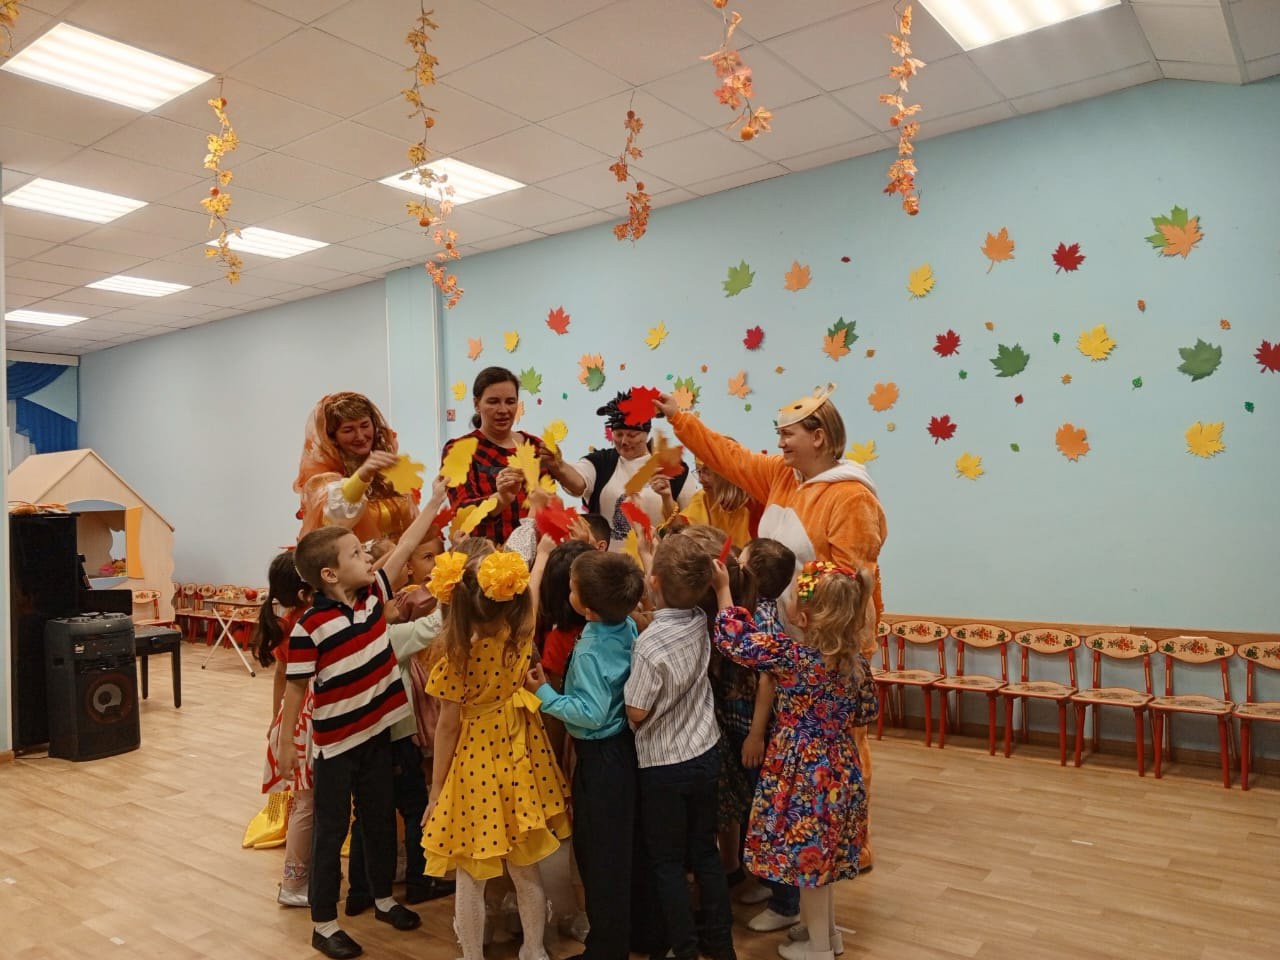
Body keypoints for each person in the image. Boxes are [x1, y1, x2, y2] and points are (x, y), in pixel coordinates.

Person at [656, 384, 886, 878]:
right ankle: (790, 845)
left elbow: (851, 581)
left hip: (825, 649)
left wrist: (820, 640)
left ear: (818, 437)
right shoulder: (784, 475)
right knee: (793, 759)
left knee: (839, 747)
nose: (779, 444)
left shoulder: (850, 497)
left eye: (788, 435)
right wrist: (680, 418)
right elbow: (730, 456)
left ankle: (848, 844)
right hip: (783, 644)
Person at [277, 477, 450, 959]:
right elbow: (295, 688)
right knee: (332, 832)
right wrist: (287, 744)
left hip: (378, 736)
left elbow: (407, 545)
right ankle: (324, 923)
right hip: (337, 747)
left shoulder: (374, 595)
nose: (367, 558)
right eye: (356, 554)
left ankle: (382, 899)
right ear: (330, 574)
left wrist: (434, 502)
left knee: (378, 821)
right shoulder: (310, 627)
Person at [712, 559, 878, 960]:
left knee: (809, 865)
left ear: (804, 618)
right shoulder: (857, 663)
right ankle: (827, 936)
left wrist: (722, 589)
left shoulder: (792, 657)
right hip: (840, 767)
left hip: (801, 773)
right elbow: (866, 712)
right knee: (823, 861)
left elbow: (734, 638)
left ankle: (819, 950)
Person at [421, 540, 571, 960]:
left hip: (476, 764)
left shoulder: (456, 656)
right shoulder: (519, 635)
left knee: (471, 873)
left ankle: (473, 955)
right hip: (522, 755)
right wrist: (542, 556)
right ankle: (534, 949)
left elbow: (447, 727)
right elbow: (532, 597)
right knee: (526, 867)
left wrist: (437, 791)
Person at [524, 551, 646, 960]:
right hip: (622, 751)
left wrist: (544, 694)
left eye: (573, 589)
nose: (569, 593)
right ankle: (626, 935)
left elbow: (590, 713)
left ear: (588, 607)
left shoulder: (592, 648)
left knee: (600, 857)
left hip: (601, 757)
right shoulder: (625, 624)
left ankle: (606, 948)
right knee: (618, 851)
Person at [624, 534, 735, 960]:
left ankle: (684, 948)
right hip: (705, 752)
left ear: (653, 581)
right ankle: (721, 945)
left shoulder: (649, 643)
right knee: (705, 851)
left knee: (668, 862)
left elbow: (636, 710)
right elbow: (675, 586)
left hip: (663, 765)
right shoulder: (701, 619)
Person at [440, 367, 579, 544]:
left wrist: (558, 465)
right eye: (493, 402)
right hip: (487, 553)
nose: (503, 409)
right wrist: (501, 498)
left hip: (539, 551)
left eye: (510, 401)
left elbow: (578, 488)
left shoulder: (534, 445)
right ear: (476, 404)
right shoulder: (458, 449)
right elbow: (461, 511)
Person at [553, 389, 693, 549]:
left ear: (646, 434)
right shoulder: (600, 462)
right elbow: (577, 483)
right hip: (604, 560)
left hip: (656, 560)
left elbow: (689, 526)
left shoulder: (674, 468)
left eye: (632, 435)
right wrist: (558, 465)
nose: (624, 441)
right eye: (619, 434)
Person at [254, 550, 314, 907]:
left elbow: (280, 676)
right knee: (306, 802)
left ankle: (302, 875)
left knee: (303, 801)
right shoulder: (307, 624)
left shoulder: (288, 622)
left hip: (292, 721)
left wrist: (275, 721)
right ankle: (293, 883)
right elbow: (288, 680)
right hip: (306, 723)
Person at [294, 392, 418, 542]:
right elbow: (338, 520)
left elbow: (415, 524)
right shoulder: (322, 480)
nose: (360, 436)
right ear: (332, 437)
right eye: (348, 430)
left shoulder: (388, 464)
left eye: (365, 426)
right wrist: (362, 476)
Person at [662, 456, 762, 549]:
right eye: (699, 471)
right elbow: (681, 534)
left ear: (725, 471)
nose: (701, 480)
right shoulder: (703, 497)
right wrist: (667, 497)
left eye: (707, 471)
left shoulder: (755, 501)